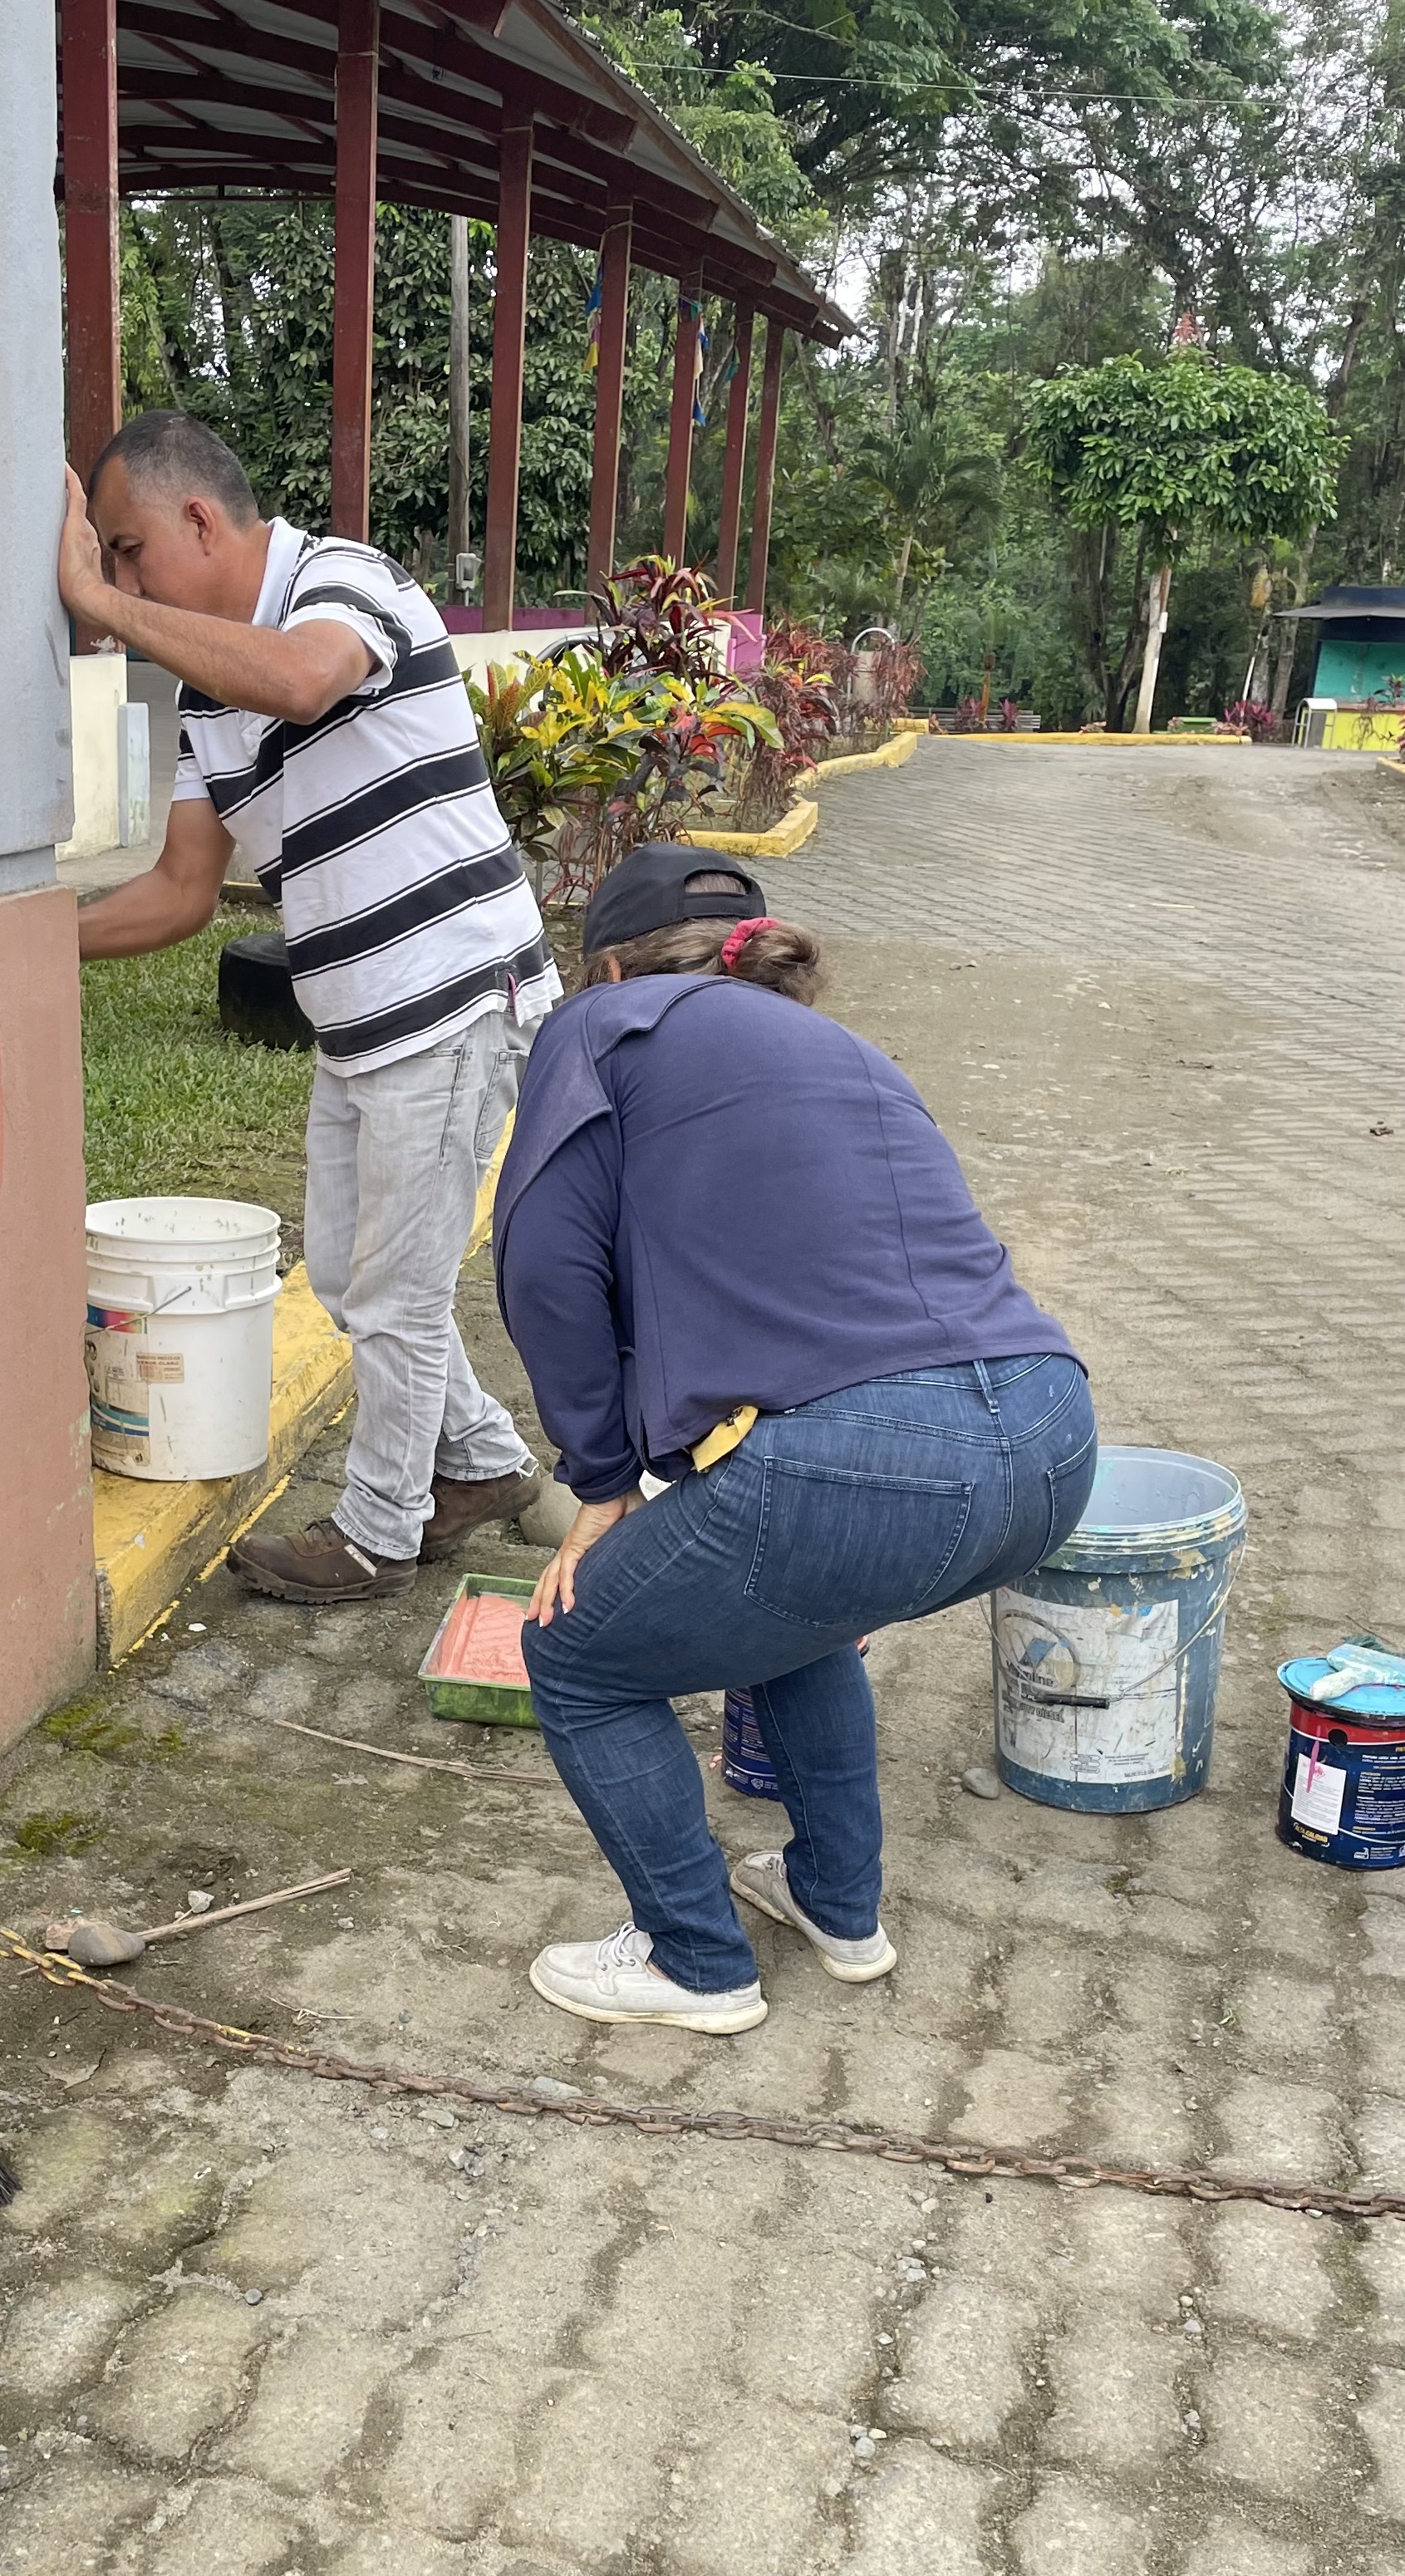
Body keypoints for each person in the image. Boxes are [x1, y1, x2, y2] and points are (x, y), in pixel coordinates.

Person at [494, 844, 1097, 2033]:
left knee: (577, 1659)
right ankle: (837, 1906)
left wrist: (602, 1479)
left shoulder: (603, 1023)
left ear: (607, 965)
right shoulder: (845, 1049)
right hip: (1050, 1438)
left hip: (858, 1462)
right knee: (789, 1616)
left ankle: (693, 1962)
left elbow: (545, 1266)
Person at [57, 413, 556, 1603]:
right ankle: (484, 1466)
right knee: (342, 1271)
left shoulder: (342, 581)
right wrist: (22, 946)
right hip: (360, 1026)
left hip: (449, 1000)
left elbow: (298, 679)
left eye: (128, 550)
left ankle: (380, 1533)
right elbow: (181, 892)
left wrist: (97, 604)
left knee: (396, 1292)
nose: (124, 579)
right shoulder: (204, 696)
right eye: (110, 560)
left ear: (198, 519)